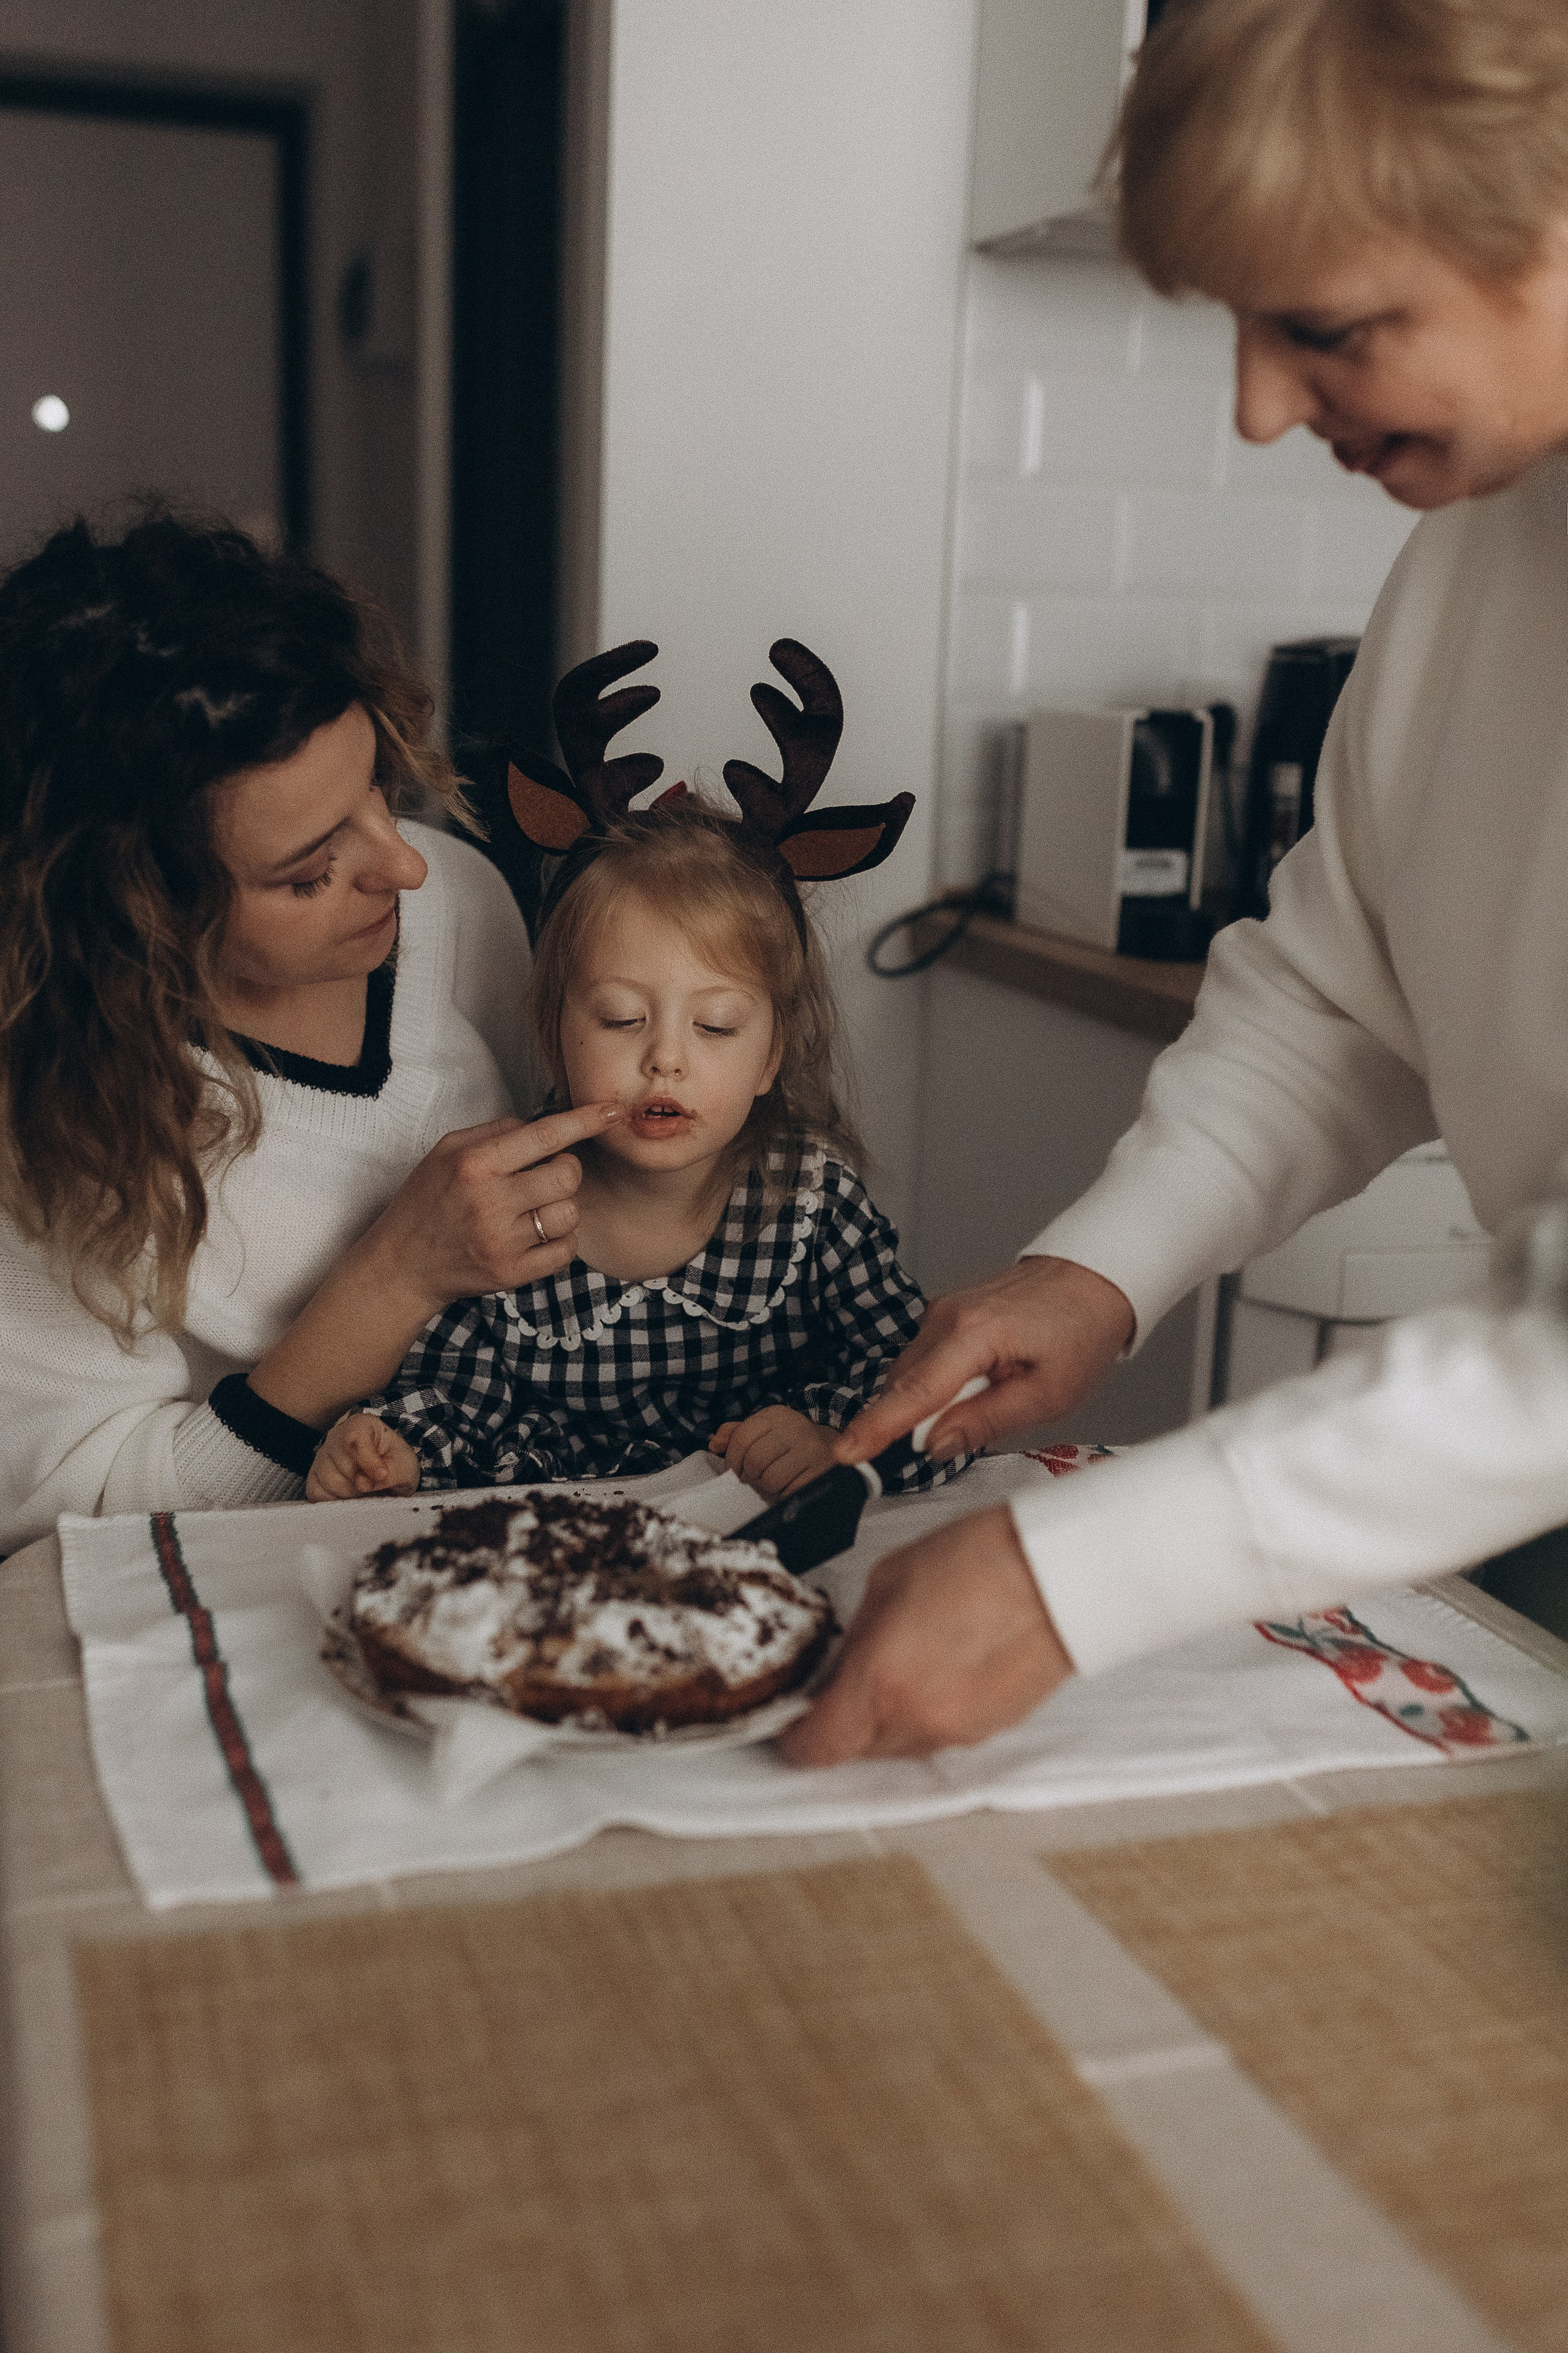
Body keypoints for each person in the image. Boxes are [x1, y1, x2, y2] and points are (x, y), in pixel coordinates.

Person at [779, 0, 1568, 1767]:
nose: (1261, 406)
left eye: (1324, 329)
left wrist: (1082, 1579)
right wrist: (1102, 1269)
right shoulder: (1483, 540)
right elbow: (1341, 989)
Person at [0, 507, 622, 1554]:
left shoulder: (459, 904)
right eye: (309, 870)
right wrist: (392, 1280)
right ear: (135, 915)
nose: (405, 865)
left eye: (379, 785)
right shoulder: (47, 1116)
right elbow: (72, 1519)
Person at [306, 640, 973, 1502]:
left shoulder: (811, 1207)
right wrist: (390, 1447)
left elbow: (929, 1387)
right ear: (553, 1035)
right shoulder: (511, 1210)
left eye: (717, 1025)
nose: (665, 1056)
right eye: (622, 1018)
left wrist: (831, 1441)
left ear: (773, 1054)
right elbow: (448, 1403)